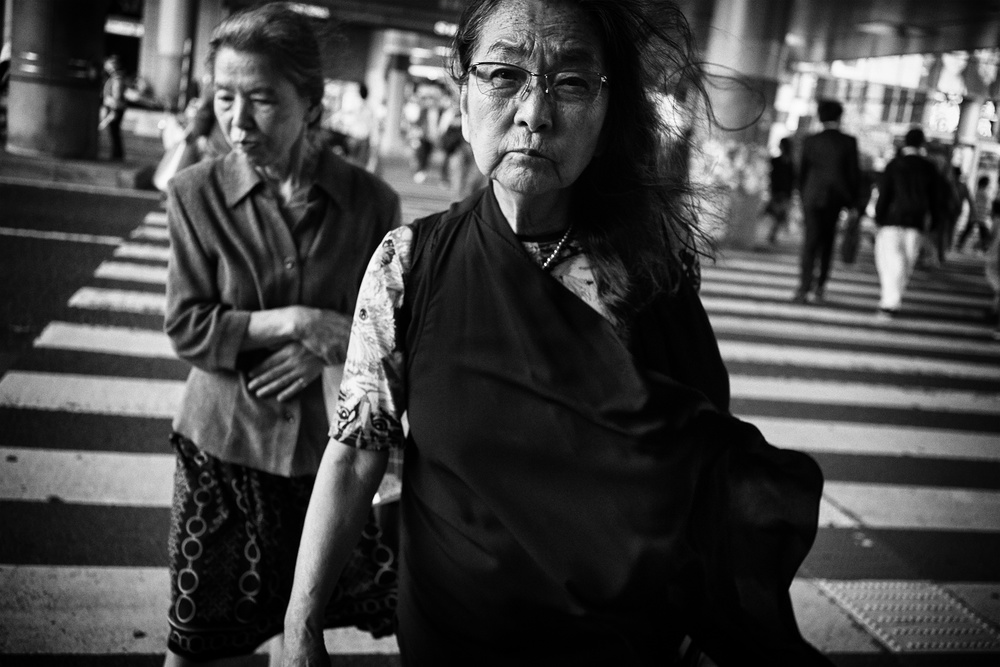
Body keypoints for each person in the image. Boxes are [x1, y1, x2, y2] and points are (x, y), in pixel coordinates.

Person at [282, 1, 830, 665]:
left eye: (571, 84)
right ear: (463, 94)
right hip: (450, 635)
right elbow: (356, 447)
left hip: (614, 644)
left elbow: (701, 460)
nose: (535, 113)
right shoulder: (409, 263)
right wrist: (301, 623)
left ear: (608, 114)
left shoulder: (645, 270)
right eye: (503, 76)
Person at [162, 5, 402, 665]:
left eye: (262, 99)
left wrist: (331, 342)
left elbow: (378, 332)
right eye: (224, 98)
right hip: (223, 450)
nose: (237, 121)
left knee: (298, 635)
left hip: (325, 460)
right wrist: (298, 322)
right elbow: (187, 323)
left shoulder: (371, 203)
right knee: (199, 642)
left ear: (310, 102)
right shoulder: (193, 195)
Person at [792, 98, 861, 303]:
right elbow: (853, 174)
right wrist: (854, 204)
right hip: (836, 198)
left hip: (811, 197)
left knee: (810, 242)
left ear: (820, 117)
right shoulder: (849, 141)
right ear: (839, 116)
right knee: (828, 242)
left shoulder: (810, 140)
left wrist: (801, 195)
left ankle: (804, 287)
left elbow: (802, 172)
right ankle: (820, 287)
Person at [873, 127, 946, 318]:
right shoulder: (929, 167)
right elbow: (936, 198)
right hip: (916, 221)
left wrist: (878, 217)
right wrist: (935, 222)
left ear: (905, 142)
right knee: (906, 262)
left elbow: (885, 194)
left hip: (891, 219)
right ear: (922, 143)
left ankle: (889, 302)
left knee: (890, 262)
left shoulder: (894, 164)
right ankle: (892, 301)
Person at [764, 136, 796, 245]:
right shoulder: (783, 161)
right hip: (780, 191)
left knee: (778, 214)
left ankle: (772, 234)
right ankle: (771, 234)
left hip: (781, 191)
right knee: (775, 213)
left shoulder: (780, 161)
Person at [955, 173, 993, 253]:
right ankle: (984, 247)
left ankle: (961, 244)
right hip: (979, 215)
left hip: (979, 216)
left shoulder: (980, 191)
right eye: (987, 183)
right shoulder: (981, 192)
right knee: (983, 232)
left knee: (972, 230)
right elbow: (978, 204)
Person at [101, 55, 128, 161]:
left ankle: (117, 155)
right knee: (114, 132)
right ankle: (117, 154)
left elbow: (116, 96)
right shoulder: (116, 78)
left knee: (114, 132)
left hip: (115, 108)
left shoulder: (117, 79)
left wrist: (112, 108)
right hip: (116, 107)